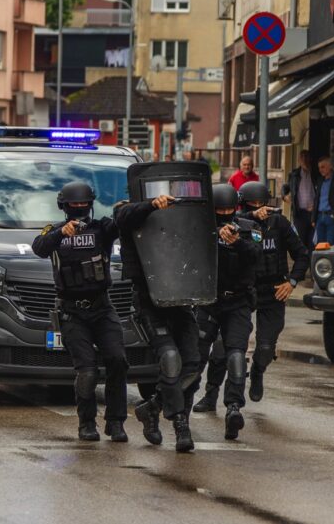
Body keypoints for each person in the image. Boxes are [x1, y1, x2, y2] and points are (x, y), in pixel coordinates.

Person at [194, 182, 307, 411]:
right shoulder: (237, 224)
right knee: (221, 349)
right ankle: (211, 394)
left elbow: (302, 254)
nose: (258, 208)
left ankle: (257, 372)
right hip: (244, 291)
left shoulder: (279, 224)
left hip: (273, 290)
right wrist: (250, 215)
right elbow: (227, 219)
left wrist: (292, 282)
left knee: (265, 347)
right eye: (251, 204)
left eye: (261, 204)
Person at [31, 182, 129, 443]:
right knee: (87, 370)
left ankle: (116, 422)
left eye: (83, 204)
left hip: (102, 307)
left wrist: (126, 208)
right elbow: (38, 247)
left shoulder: (101, 230)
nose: (79, 209)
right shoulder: (54, 232)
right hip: (72, 313)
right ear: (64, 207)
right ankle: (86, 423)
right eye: (74, 205)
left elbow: (121, 223)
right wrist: (62, 233)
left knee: (118, 361)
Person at [115, 194, 199, 452]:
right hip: (149, 301)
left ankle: (151, 408)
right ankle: (180, 423)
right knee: (170, 359)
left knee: (193, 366)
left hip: (179, 301)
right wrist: (151, 205)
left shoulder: (176, 214)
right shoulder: (127, 210)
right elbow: (122, 216)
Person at [185, 184, 259, 440]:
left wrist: (237, 242)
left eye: (229, 210)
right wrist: (213, 235)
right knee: (195, 357)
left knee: (236, 355)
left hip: (237, 303)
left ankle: (233, 408)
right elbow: (186, 252)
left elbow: (256, 255)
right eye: (220, 210)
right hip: (208, 302)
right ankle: (182, 409)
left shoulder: (248, 230)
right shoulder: (201, 230)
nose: (225, 214)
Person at [283, 150, 318, 250]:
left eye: (306, 157)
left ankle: (311, 264)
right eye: (302, 157)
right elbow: (285, 187)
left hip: (313, 214)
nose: (304, 160)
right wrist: (284, 196)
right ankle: (303, 263)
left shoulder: (316, 173)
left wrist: (315, 206)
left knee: (313, 242)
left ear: (310, 159)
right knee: (301, 241)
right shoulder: (294, 175)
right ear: (298, 160)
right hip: (299, 213)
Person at [313, 157, 334, 245]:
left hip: (330, 216)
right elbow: (316, 199)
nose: (320, 170)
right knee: (319, 245)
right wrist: (313, 218)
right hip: (320, 216)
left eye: (323, 167)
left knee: (330, 244)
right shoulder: (320, 180)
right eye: (319, 168)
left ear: (330, 166)